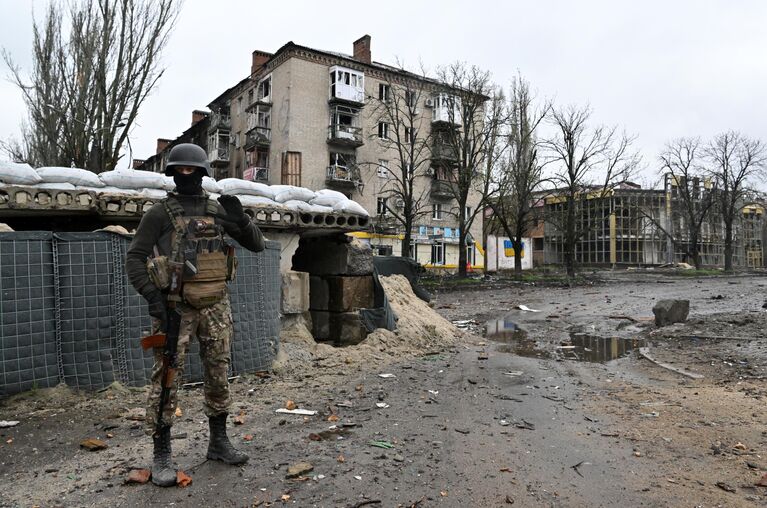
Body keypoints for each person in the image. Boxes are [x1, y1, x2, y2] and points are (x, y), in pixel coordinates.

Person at [125, 143, 265, 487]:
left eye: (193, 170)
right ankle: (161, 454)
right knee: (167, 379)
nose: (186, 175)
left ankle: (218, 442)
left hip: (216, 305)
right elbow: (134, 258)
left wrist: (242, 221)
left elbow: (257, 244)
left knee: (219, 373)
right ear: (172, 173)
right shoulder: (159, 214)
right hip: (175, 308)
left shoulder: (217, 210)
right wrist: (153, 299)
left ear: (203, 172)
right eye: (180, 170)